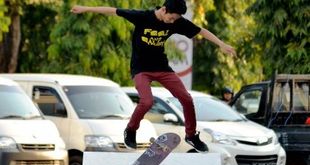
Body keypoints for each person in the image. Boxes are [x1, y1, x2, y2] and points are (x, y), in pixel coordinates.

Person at [71, 0, 236, 152]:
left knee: (186, 98)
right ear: (163, 9)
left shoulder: (177, 21)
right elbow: (112, 10)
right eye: (170, 18)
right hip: (141, 69)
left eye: (175, 20)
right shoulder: (142, 17)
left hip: (162, 68)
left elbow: (201, 31)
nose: (172, 22)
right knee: (147, 101)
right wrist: (85, 9)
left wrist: (222, 44)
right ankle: (130, 130)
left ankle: (191, 135)